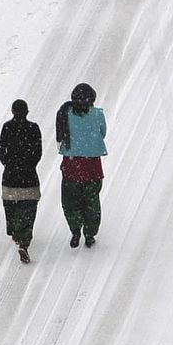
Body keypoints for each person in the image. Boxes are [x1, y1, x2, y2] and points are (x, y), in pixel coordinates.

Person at [56, 83, 107, 248]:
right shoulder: (97, 114)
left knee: (71, 202)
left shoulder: (66, 113)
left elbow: (60, 135)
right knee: (92, 202)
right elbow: (102, 133)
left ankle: (75, 229)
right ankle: (90, 233)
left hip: (71, 166)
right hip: (92, 167)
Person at [0, 99, 42, 263]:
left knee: (11, 206)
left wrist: (9, 164)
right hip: (29, 176)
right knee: (29, 209)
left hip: (10, 176)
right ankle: (24, 241)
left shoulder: (7, 127)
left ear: (12, 112)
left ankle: (14, 231)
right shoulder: (33, 128)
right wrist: (29, 165)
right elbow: (38, 152)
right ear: (27, 112)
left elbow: (1, 150)